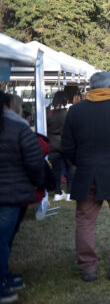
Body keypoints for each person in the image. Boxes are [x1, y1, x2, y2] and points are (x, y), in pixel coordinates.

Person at [61, 72, 110, 281]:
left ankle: (88, 268)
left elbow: (67, 146)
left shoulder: (75, 111)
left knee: (85, 221)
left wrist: (81, 162)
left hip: (86, 171)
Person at [0, 90, 45, 300]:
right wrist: (37, 182)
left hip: (11, 192)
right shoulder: (18, 127)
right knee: (3, 239)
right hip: (11, 193)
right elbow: (34, 162)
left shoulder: (17, 128)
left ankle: (4, 276)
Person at [48, 91, 73, 201]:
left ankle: (57, 192)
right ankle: (70, 193)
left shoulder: (48, 114)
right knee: (70, 167)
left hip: (52, 144)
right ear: (65, 100)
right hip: (66, 144)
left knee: (56, 169)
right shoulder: (68, 114)